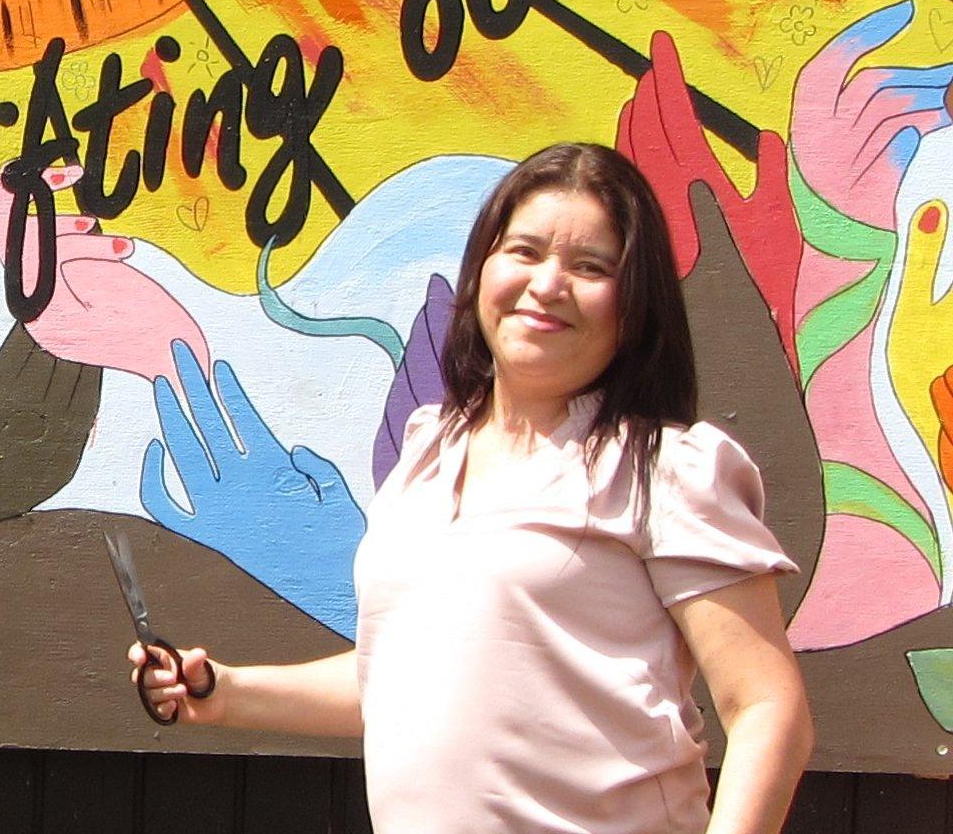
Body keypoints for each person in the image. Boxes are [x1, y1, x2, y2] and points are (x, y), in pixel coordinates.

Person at [131, 142, 812, 834]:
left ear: (635, 307)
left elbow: (766, 708)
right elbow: (398, 677)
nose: (548, 283)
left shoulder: (665, 469)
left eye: (590, 267)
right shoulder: (427, 452)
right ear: (481, 270)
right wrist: (225, 691)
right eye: (524, 252)